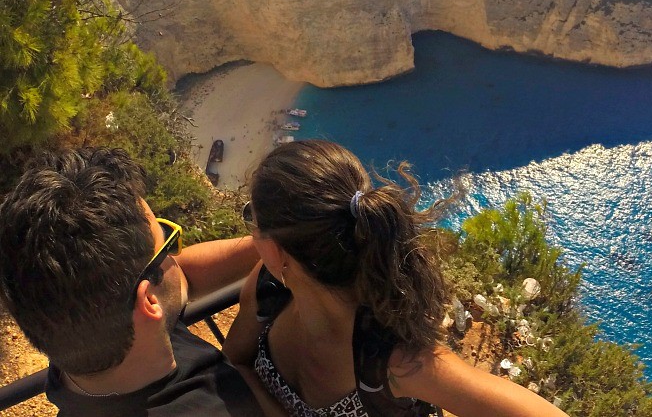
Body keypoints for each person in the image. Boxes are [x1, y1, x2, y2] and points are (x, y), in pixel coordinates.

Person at [224, 139, 568, 417]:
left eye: (251, 217)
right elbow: (235, 361)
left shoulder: (393, 360)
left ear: (273, 249)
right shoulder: (268, 288)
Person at [0, 147, 282, 416]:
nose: (177, 256)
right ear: (148, 301)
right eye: (168, 243)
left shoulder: (74, 323)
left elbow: (178, 275)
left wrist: (270, 243)